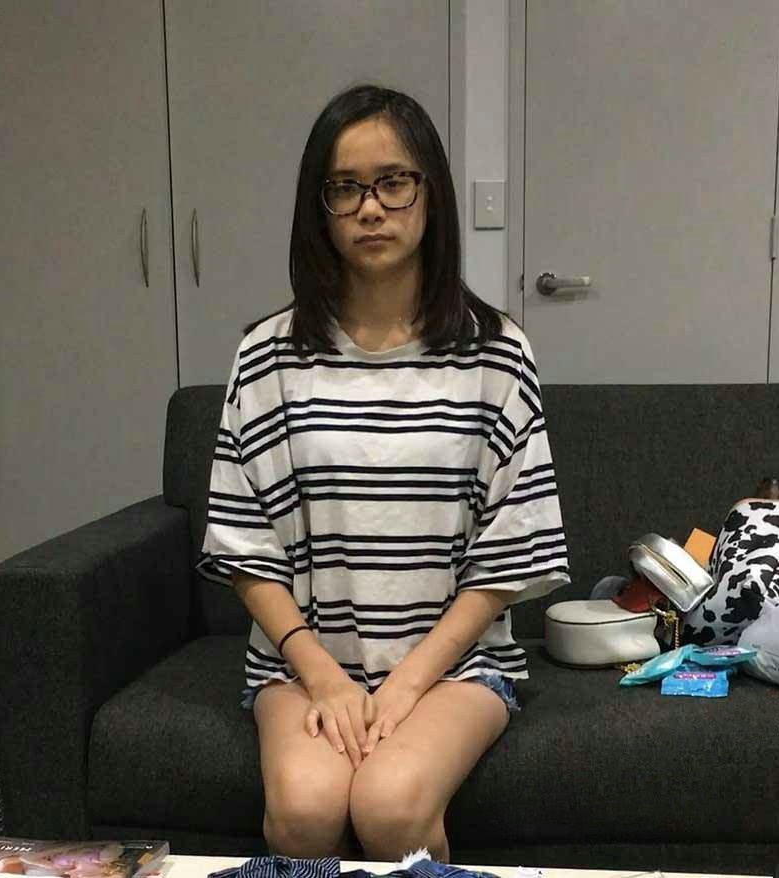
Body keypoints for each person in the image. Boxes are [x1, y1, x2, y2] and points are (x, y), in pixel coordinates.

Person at [196, 83, 570, 863]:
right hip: (302, 666)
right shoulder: (266, 356)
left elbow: (508, 555)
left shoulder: (497, 353)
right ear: (320, 208)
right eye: (345, 188)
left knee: (390, 805)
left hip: (455, 668)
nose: (371, 208)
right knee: (305, 811)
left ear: (430, 193)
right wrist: (324, 677)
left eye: (393, 181)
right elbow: (244, 546)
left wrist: (405, 685)